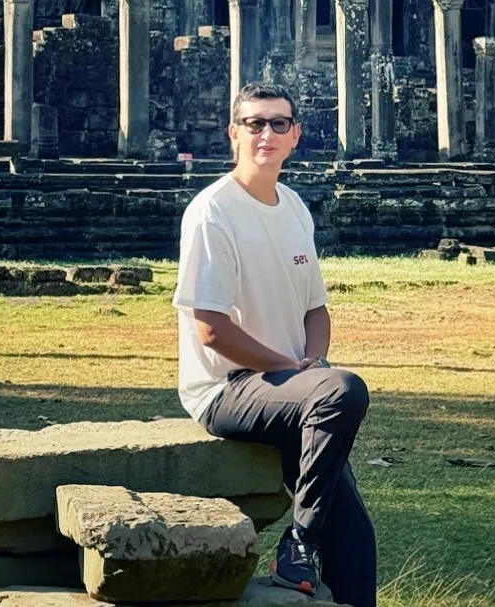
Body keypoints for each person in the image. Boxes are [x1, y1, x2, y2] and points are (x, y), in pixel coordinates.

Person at [171, 81, 377, 607]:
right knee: (342, 391)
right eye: (255, 123)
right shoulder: (212, 211)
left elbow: (315, 309)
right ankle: (300, 541)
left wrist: (314, 363)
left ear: (295, 135)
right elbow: (211, 330)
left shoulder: (294, 207)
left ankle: (310, 543)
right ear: (233, 133)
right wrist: (297, 370)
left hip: (295, 388)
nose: (267, 133)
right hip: (227, 389)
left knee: (356, 541)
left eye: (278, 123)